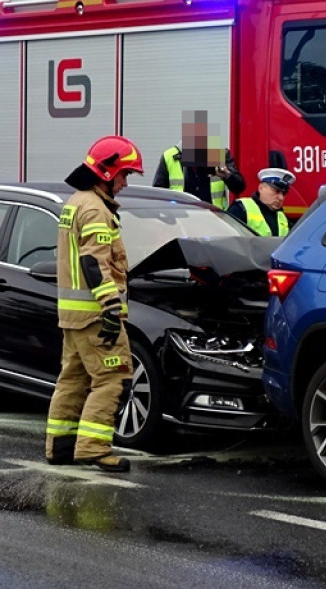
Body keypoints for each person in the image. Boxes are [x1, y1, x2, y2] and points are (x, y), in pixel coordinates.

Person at [45, 135, 144, 473]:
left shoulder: (75, 202)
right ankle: (94, 448)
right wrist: (111, 309)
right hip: (95, 317)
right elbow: (93, 263)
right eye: (124, 175)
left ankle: (60, 446)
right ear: (106, 173)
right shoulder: (95, 210)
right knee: (113, 378)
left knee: (72, 379)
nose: (125, 183)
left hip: (73, 316)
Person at [152, 110, 244, 208]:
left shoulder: (220, 154)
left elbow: (239, 187)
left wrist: (227, 175)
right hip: (182, 217)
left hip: (213, 217)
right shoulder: (170, 156)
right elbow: (158, 193)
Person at [228, 167, 295, 237]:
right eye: (276, 191)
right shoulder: (241, 208)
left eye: (284, 193)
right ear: (261, 188)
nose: (281, 198)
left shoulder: (282, 217)